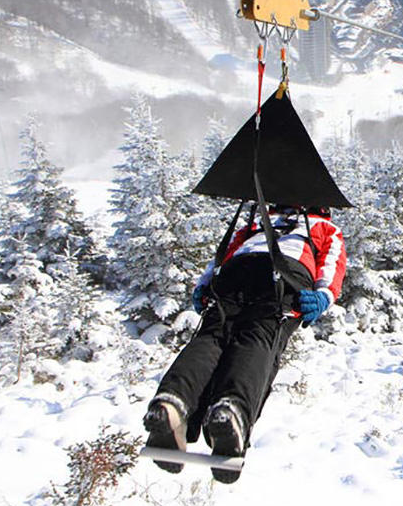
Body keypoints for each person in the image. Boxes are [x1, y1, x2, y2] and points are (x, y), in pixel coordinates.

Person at [142, 203, 346, 482]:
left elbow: (223, 255)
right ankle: (231, 410)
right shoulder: (325, 227)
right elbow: (332, 263)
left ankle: (172, 403)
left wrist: (204, 285)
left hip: (235, 273)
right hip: (286, 275)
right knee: (258, 339)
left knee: (211, 335)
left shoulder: (257, 220)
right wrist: (324, 294)